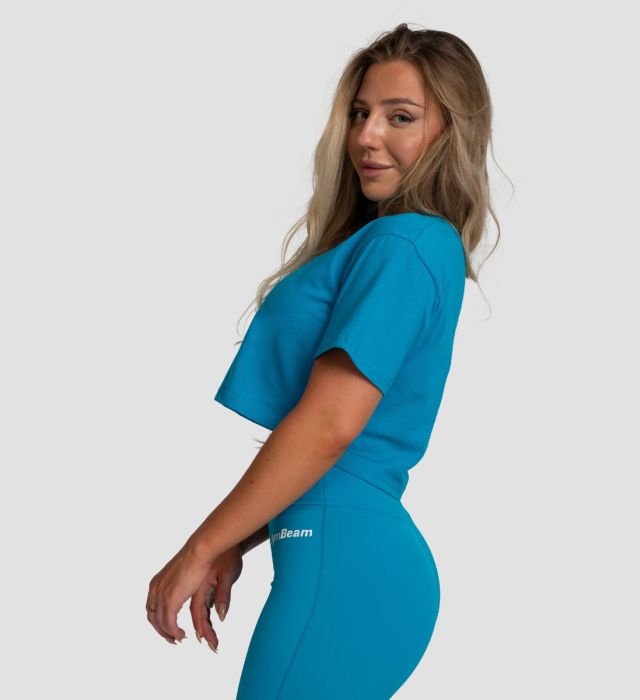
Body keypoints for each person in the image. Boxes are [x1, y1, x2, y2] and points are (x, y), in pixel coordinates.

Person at [147, 22, 499, 699]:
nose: (366, 136)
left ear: (451, 132)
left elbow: (331, 426)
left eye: (400, 117)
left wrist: (199, 547)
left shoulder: (406, 244)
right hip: (340, 550)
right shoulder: (397, 245)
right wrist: (235, 541)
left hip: (347, 562)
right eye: (360, 114)